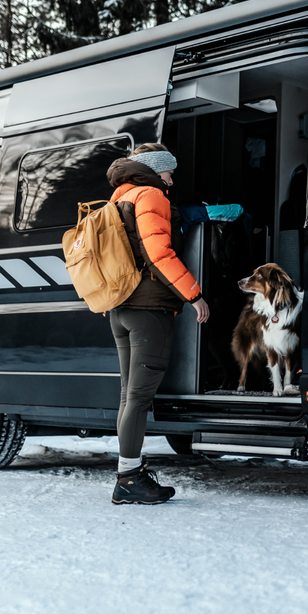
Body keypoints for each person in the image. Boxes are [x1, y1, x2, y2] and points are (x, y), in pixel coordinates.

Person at [106, 143, 210, 504]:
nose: (171, 178)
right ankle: (129, 479)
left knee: (129, 396)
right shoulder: (151, 195)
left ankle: (128, 473)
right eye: (168, 171)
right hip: (149, 310)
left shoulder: (120, 197)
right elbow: (158, 252)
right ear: (154, 170)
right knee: (138, 398)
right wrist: (193, 295)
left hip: (120, 307)